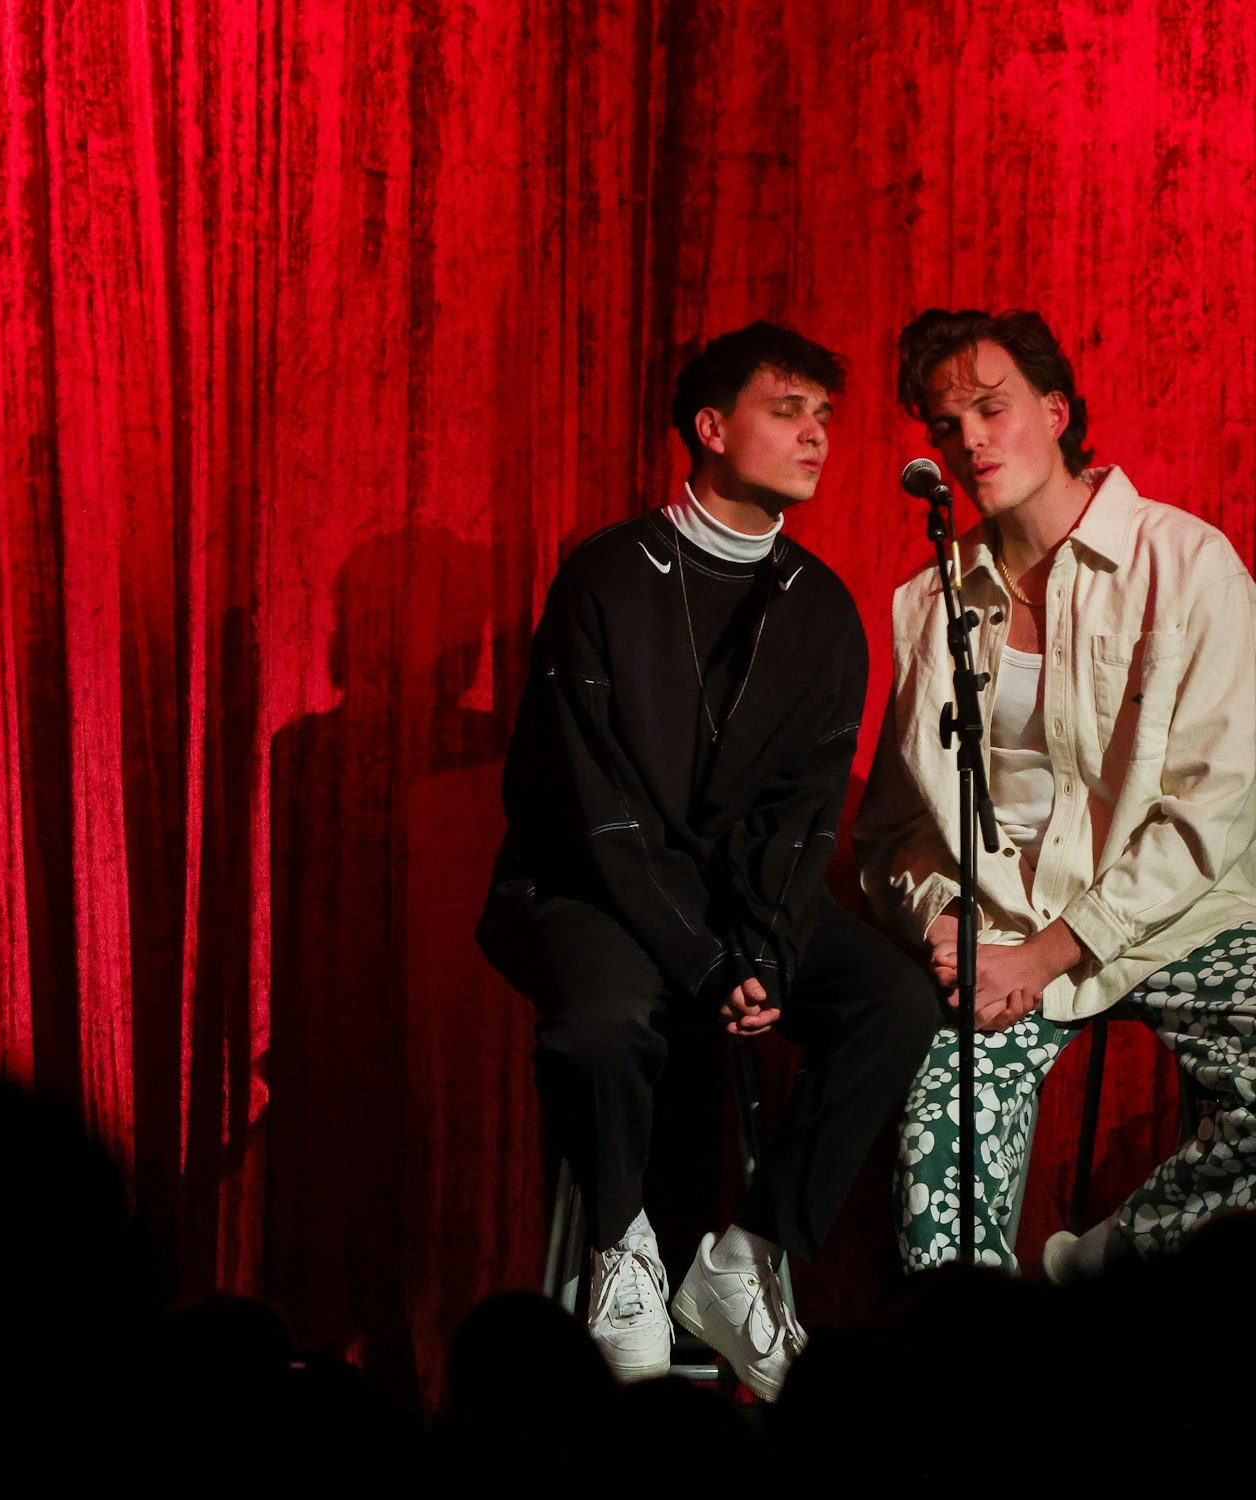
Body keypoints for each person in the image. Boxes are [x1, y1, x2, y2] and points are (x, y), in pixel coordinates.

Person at [477, 323, 938, 1399]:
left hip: (732, 895)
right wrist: (702, 962)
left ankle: (746, 1258)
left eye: (824, 416)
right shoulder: (604, 576)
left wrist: (765, 954)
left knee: (892, 1000)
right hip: (585, 884)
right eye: (788, 411)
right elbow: (589, 802)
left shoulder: (819, 607)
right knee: (598, 1021)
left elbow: (802, 813)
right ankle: (619, 1249)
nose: (815, 435)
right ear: (709, 428)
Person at [857, 308, 1256, 1276]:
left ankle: (1091, 1270)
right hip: (994, 943)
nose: (969, 442)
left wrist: (1047, 953)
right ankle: (977, 1392)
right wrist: (946, 924)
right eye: (945, 426)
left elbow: (1212, 809)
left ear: (1055, 408)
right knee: (935, 1171)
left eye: (989, 410)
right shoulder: (929, 605)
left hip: (1179, 920)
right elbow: (896, 831)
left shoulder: (1186, 564)